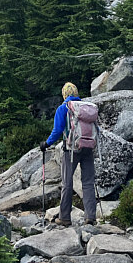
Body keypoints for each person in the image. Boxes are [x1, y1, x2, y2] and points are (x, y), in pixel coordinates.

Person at [40, 82, 97, 226]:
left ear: (64, 94)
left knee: (67, 183)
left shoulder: (63, 108)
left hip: (71, 149)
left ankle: (64, 217)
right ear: (77, 93)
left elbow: (57, 130)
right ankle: (90, 216)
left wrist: (46, 144)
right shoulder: (87, 107)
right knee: (88, 182)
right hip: (88, 147)